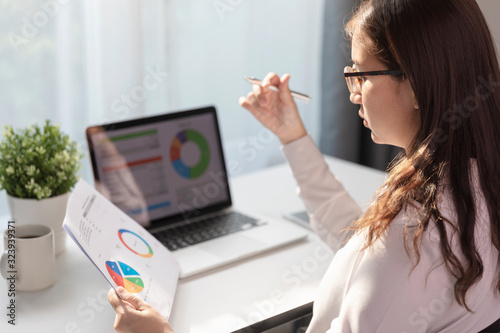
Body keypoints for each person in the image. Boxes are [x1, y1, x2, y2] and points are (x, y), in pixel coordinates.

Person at [108, 0, 500, 331]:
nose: (354, 93)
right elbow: (363, 247)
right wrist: (293, 137)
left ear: (415, 85)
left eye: (361, 74)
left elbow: (385, 258)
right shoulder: (473, 185)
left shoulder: (408, 239)